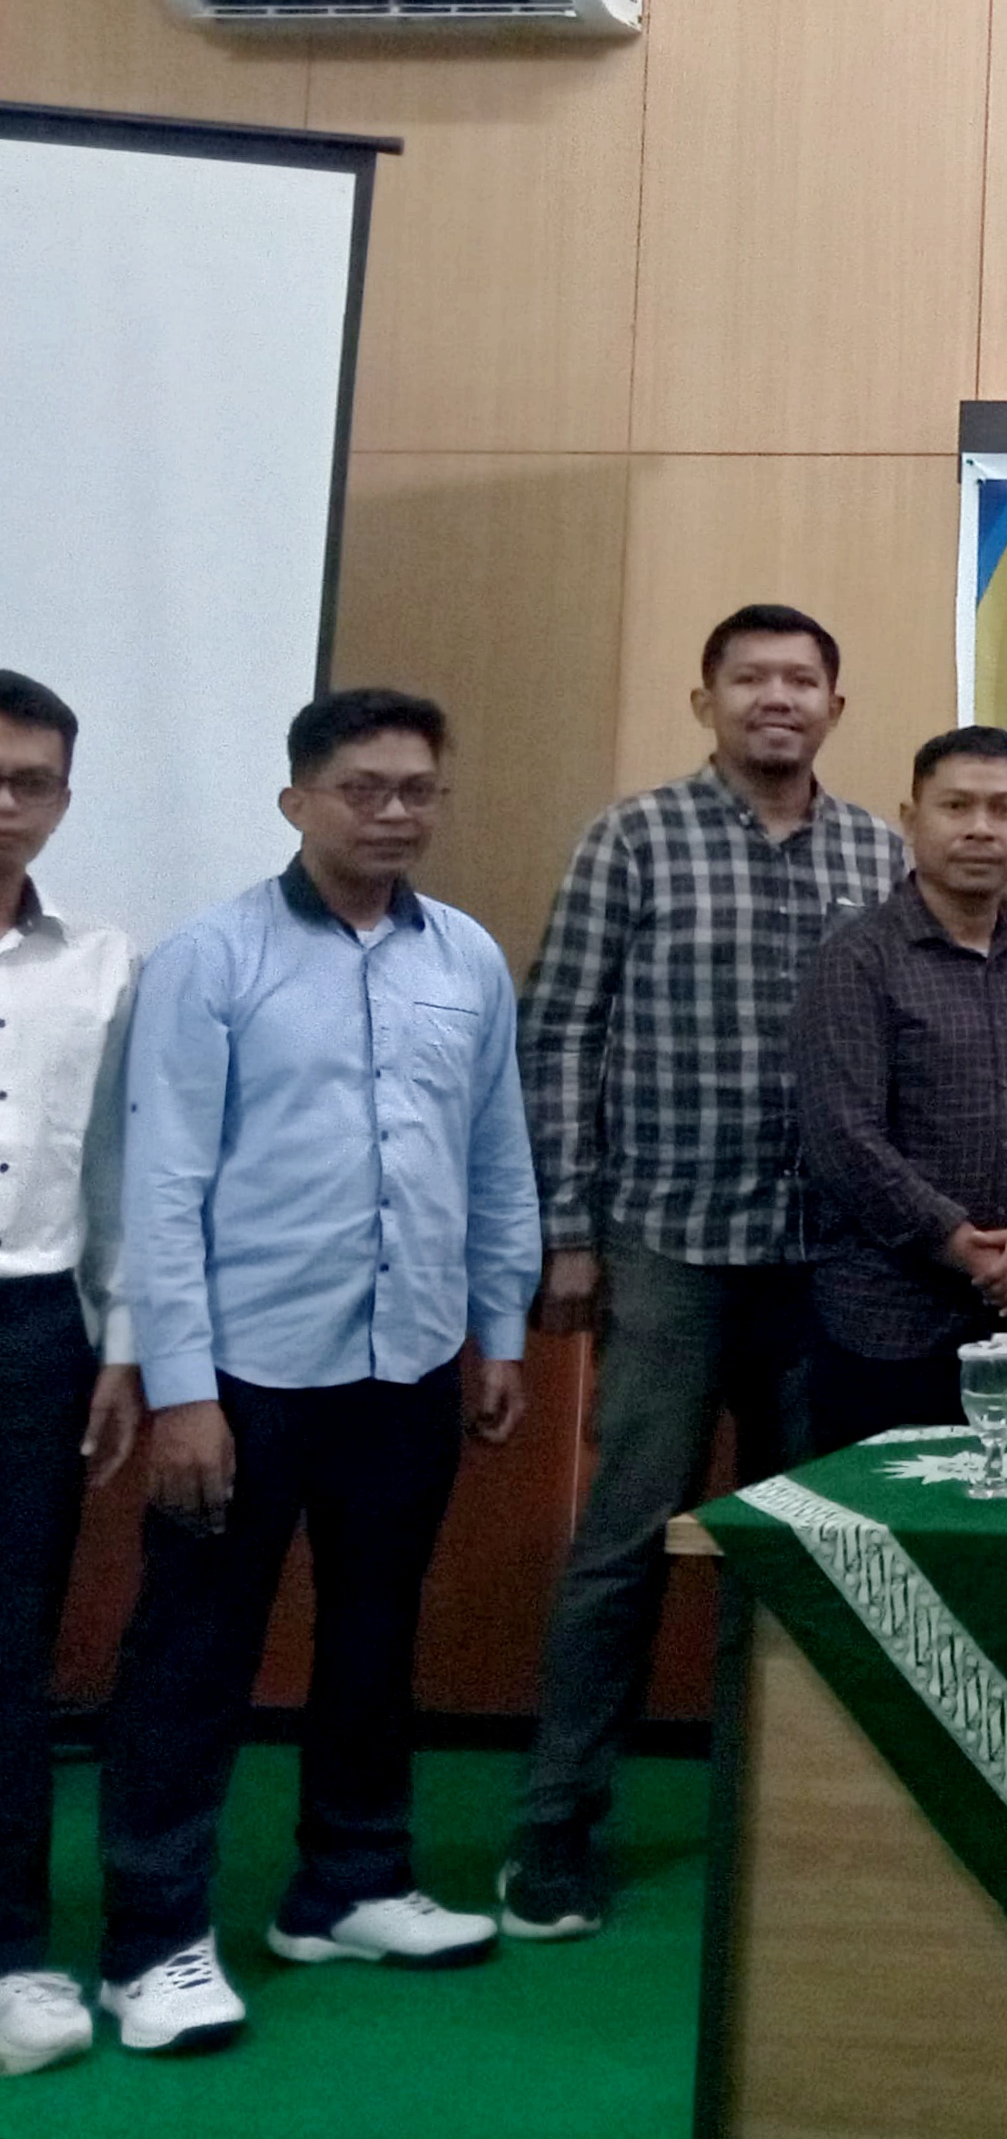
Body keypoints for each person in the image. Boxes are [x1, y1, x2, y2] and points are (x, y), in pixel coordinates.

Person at [100, 691, 537, 2053]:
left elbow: (495, 1152)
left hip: (409, 1357)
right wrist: (181, 1388)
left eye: (417, 789)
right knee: (193, 1654)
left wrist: (500, 1326)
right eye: (363, 788)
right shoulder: (211, 959)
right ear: (297, 800)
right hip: (243, 1373)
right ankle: (153, 1942)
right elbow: (161, 1180)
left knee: (373, 1633)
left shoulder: (467, 958)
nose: (393, 812)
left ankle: (348, 1884)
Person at [506, 603, 905, 1941]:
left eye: (801, 679)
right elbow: (560, 1033)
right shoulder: (631, 839)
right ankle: (556, 1823)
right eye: (749, 678)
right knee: (624, 1540)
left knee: (805, 1550)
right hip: (668, 1245)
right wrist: (568, 1229)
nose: (775, 698)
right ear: (706, 701)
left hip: (826, 1262)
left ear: (835, 707)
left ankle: (787, 1810)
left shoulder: (877, 853)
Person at [794, 729, 1007, 1450]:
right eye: (956, 806)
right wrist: (967, 1249)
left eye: (1003, 809)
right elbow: (844, 1140)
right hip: (888, 1321)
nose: (980, 829)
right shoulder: (857, 960)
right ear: (911, 818)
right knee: (879, 1517)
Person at [0, 674, 140, 2079]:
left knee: (11, 1650)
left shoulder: (102, 966)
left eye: (30, 780)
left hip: (35, 1327)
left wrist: (121, 1343)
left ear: (61, 800)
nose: (4, 803)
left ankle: (11, 1950)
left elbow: (115, 1175)